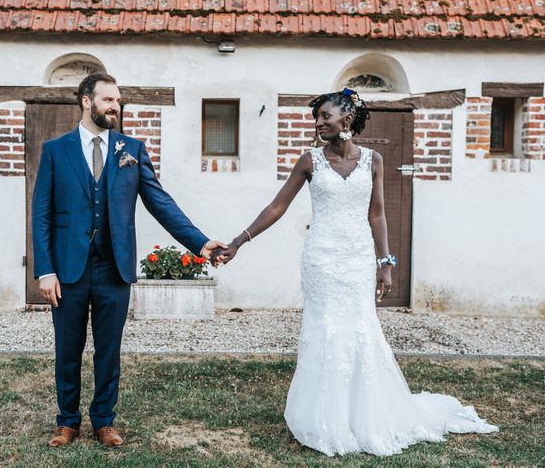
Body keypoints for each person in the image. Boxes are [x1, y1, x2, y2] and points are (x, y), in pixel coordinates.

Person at [212, 89, 497, 456]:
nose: (318, 123)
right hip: (321, 261)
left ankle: (363, 415)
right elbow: (277, 206)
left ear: (346, 120)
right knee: (325, 331)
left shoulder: (373, 160)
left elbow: (377, 214)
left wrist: (385, 263)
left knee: (360, 331)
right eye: (317, 118)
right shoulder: (309, 161)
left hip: (358, 260)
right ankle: (323, 418)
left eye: (325, 117)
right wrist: (238, 242)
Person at [32, 72, 226, 448]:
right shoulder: (56, 150)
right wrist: (45, 270)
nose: (115, 107)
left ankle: (104, 420)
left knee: (109, 349)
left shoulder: (131, 150)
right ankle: (67, 421)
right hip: (68, 268)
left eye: (118, 101)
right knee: (67, 349)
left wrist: (199, 243)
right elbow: (41, 213)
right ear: (86, 101)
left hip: (114, 268)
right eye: (108, 100)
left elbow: (160, 203)